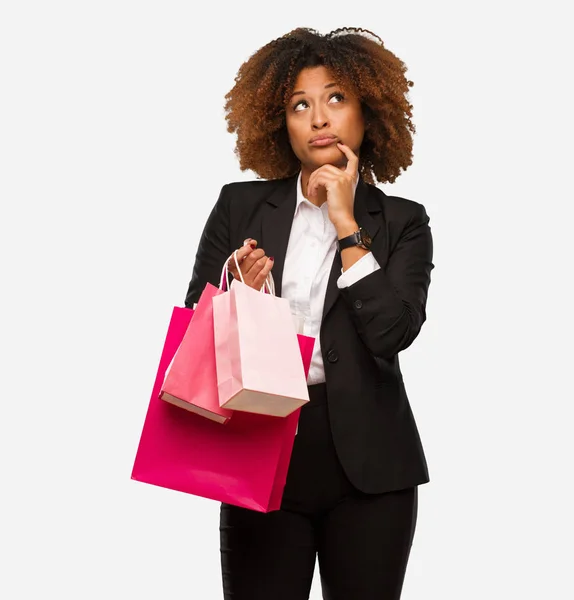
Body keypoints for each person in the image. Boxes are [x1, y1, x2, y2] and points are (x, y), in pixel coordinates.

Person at [183, 26, 434, 600]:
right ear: (283, 123)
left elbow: (391, 332)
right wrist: (239, 295)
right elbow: (194, 334)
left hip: (370, 470)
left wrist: (348, 225)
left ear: (368, 114)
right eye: (301, 104)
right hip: (258, 453)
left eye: (336, 98)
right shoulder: (239, 206)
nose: (319, 118)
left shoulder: (403, 222)